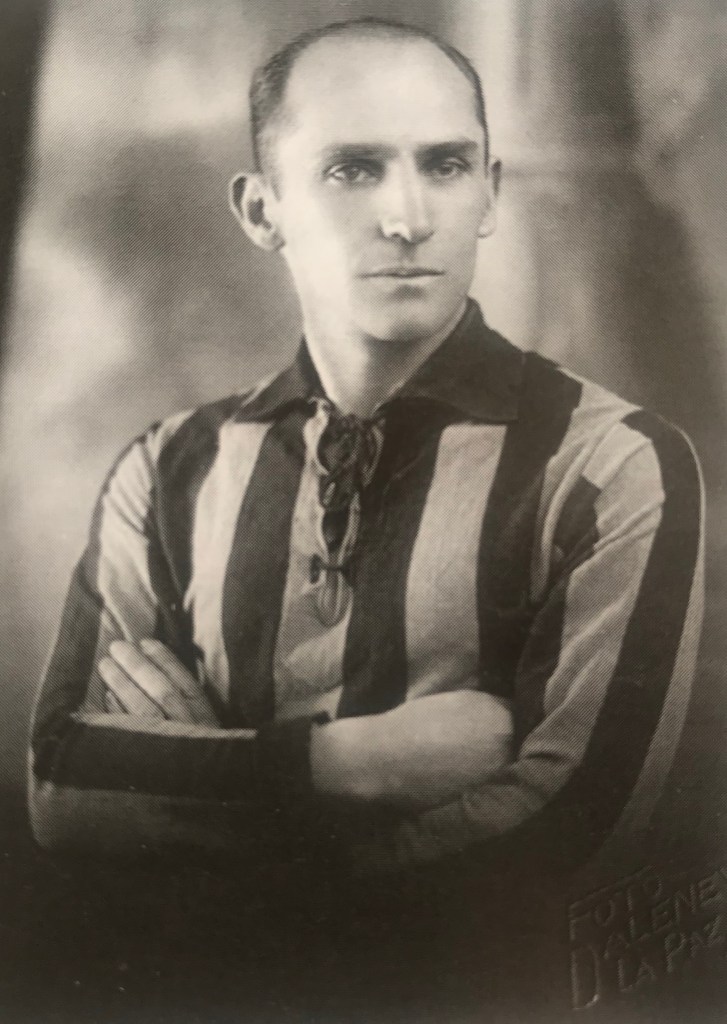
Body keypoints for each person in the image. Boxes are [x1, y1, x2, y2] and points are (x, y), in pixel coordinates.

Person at [29, 16, 704, 892]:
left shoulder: (610, 465)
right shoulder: (167, 470)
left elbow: (570, 830)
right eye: (352, 169)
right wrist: (352, 764)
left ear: (490, 194)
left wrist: (208, 779)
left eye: (445, 165)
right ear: (261, 211)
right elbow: (64, 789)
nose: (407, 219)